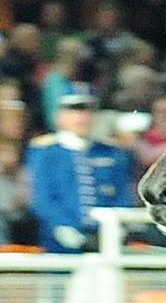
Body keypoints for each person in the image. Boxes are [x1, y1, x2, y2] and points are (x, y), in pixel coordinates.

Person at [25, 90, 138, 252]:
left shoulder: (112, 152)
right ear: (60, 116)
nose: (82, 118)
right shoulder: (46, 151)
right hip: (60, 242)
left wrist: (117, 226)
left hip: (107, 239)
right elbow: (42, 198)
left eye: (87, 112)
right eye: (74, 111)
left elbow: (123, 195)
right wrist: (63, 226)